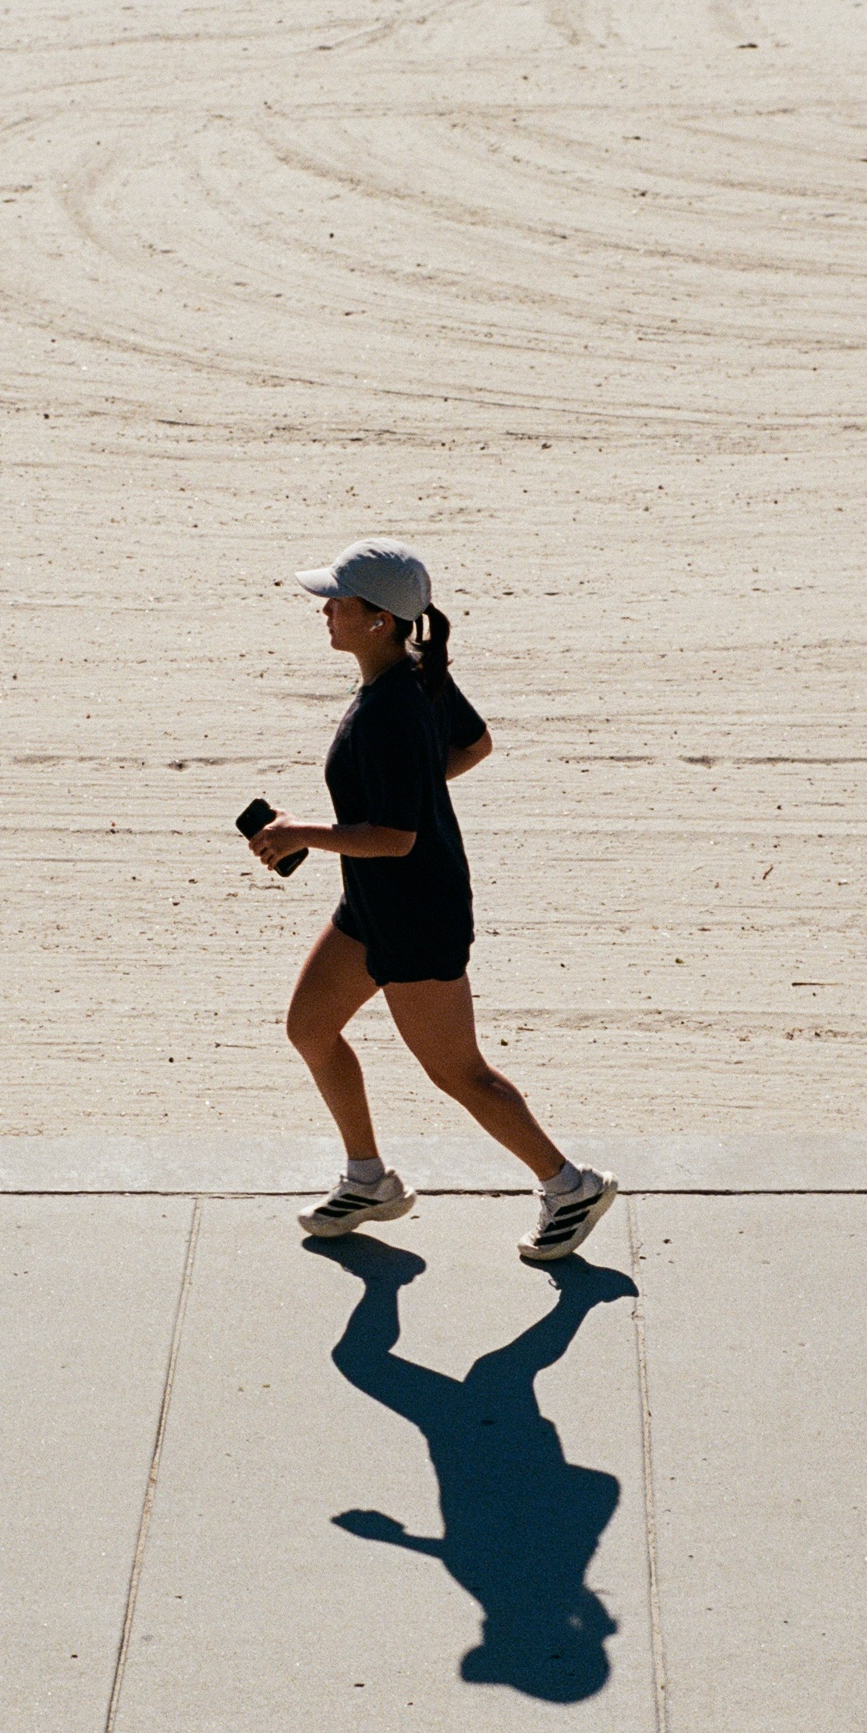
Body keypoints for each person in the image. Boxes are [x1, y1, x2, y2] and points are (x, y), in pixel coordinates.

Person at [247, 539, 619, 1264]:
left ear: (380, 619)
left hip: (417, 916)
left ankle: (569, 1185)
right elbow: (474, 745)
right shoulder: (419, 674)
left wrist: (304, 834)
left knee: (459, 1071)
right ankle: (368, 1178)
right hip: (373, 906)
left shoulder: (390, 708)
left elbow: (395, 838)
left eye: (339, 601)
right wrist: (405, 791)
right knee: (310, 1027)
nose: (326, 611)